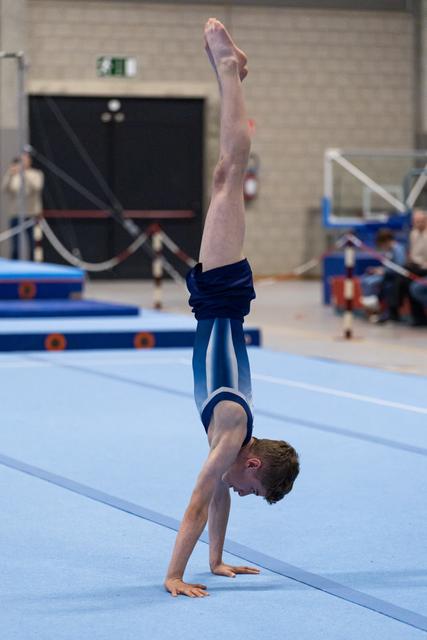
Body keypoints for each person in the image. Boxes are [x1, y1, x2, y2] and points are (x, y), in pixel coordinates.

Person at [164, 19, 299, 599]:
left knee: (226, 177)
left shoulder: (233, 443)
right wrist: (174, 575)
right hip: (221, 299)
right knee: (228, 175)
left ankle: (230, 72)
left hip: (220, 304)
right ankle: (228, 67)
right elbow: (200, 498)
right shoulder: (229, 436)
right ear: (252, 465)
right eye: (254, 491)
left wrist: (216, 562)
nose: (245, 497)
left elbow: (218, 494)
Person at [1, 151, 44, 260]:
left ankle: (33, 270)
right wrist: (10, 173)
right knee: (15, 246)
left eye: (25, 160)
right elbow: (4, 188)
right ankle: (14, 270)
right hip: (15, 214)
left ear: (30, 161)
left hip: (31, 215)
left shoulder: (36, 174)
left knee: (33, 245)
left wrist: (24, 173)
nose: (23, 162)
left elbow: (37, 187)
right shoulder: (14, 175)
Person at [360, 228, 405, 317]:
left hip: (393, 276)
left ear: (386, 241)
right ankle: (370, 308)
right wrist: (377, 269)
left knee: (371, 282)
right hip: (386, 274)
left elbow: (399, 267)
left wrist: (383, 271)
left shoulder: (398, 249)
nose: (382, 247)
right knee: (364, 279)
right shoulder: (389, 250)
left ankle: (374, 310)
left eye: (382, 244)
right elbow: (388, 265)